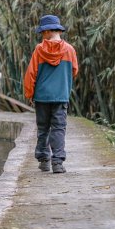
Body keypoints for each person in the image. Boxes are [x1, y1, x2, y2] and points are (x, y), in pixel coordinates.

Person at [24, 15, 78, 173]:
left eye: (42, 32)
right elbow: (74, 71)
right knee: (59, 128)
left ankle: (44, 160)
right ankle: (58, 163)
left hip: (41, 97)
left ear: (47, 31)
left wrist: (29, 94)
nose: (42, 36)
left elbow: (31, 74)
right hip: (60, 96)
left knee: (43, 128)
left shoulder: (39, 50)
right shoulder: (69, 50)